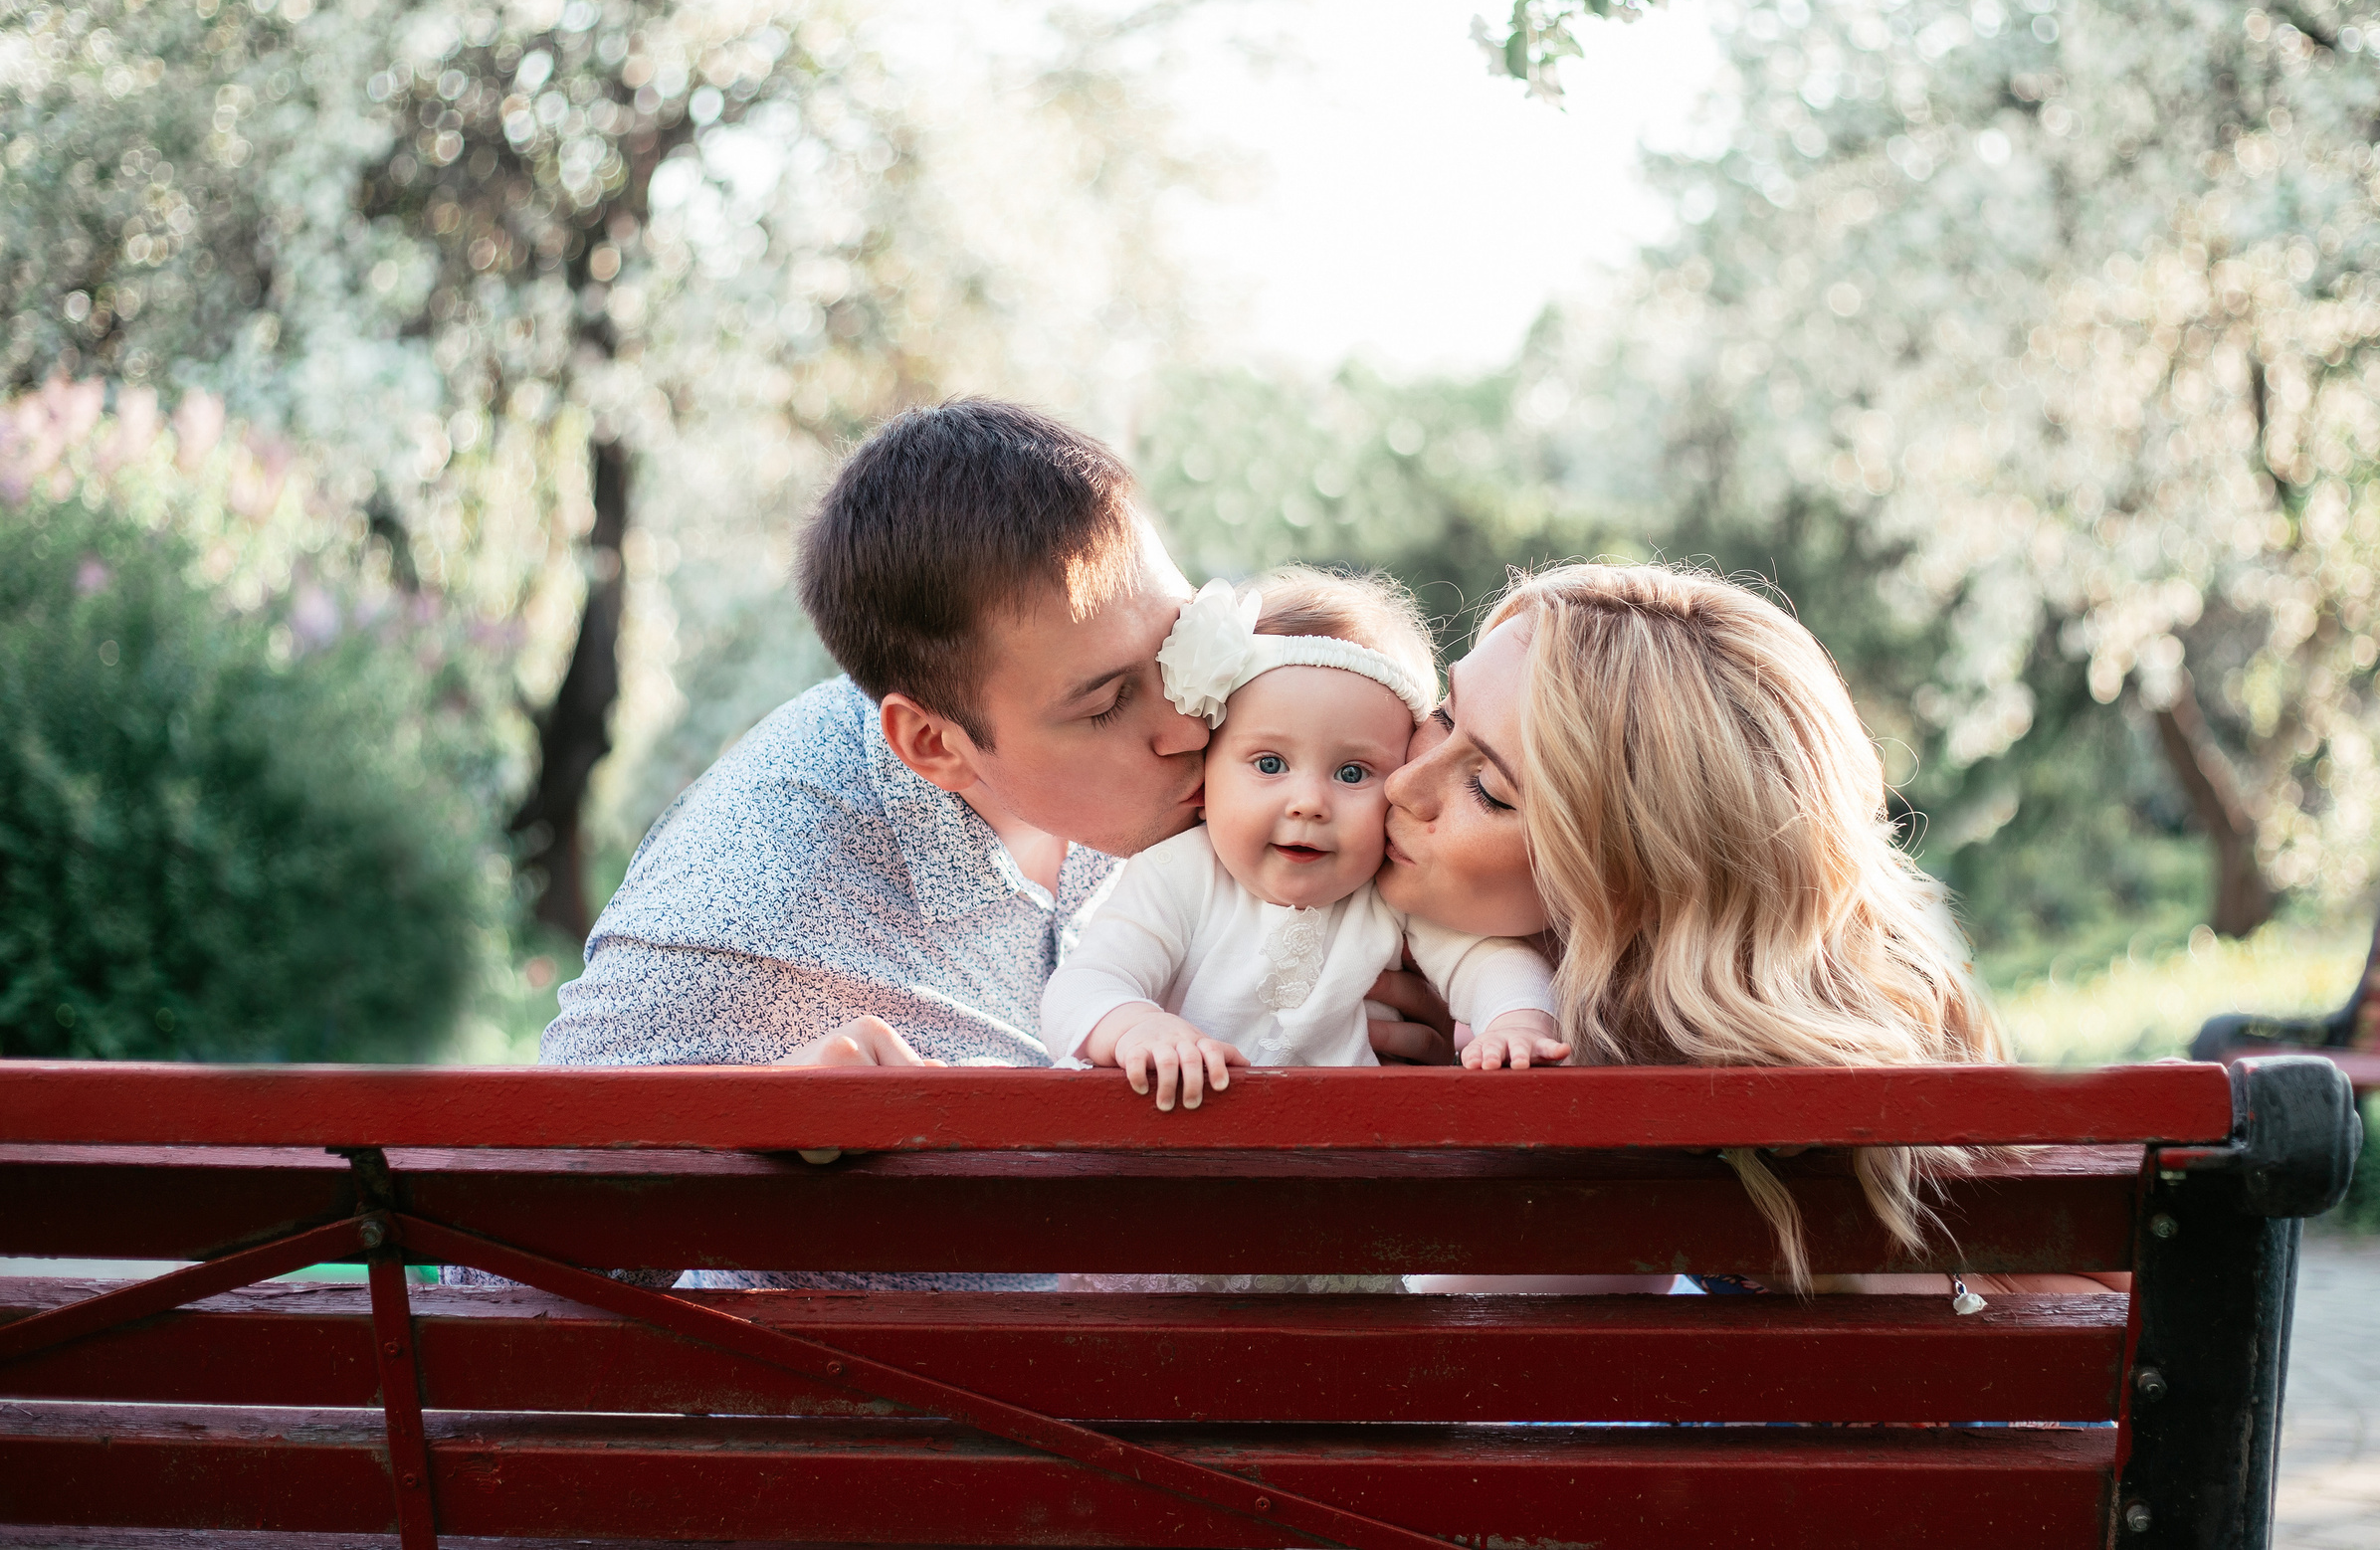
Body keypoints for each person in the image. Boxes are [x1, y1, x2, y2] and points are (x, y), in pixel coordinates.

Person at [525, 399, 1450, 1293]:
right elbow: (489, 1254)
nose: (1184, 723)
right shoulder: (750, 886)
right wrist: (740, 1140)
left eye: (1175, 651)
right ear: (935, 744)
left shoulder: (1210, 774)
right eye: (1105, 703)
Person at [1381, 561, 2117, 1298]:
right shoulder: (1868, 1064)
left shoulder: (1624, 1111)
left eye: (1489, 790)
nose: (1400, 785)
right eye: (1443, 716)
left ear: (1632, 871)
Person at [1042, 569, 1566, 1109]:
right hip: (1196, 1130)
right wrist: (1136, 1029)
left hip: (1356, 1147)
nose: (1309, 802)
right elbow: (1084, 984)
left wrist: (1516, 1024)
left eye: (1352, 773)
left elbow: (1489, 962)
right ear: (1205, 776)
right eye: (1270, 763)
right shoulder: (1176, 876)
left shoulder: (1387, 890)